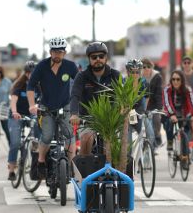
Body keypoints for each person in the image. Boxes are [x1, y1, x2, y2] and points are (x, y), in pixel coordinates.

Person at [27, 37, 78, 179]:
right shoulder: (42, 66)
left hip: (65, 105)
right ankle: (41, 161)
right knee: (47, 136)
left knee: (69, 135)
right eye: (54, 52)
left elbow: (79, 84)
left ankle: (71, 166)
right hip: (46, 107)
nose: (57, 55)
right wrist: (32, 105)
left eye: (60, 52)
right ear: (50, 52)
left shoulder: (70, 66)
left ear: (64, 53)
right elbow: (30, 86)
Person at [70, 42, 121, 156]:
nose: (98, 59)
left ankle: (110, 172)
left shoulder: (115, 75)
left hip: (109, 120)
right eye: (94, 57)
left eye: (101, 56)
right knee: (86, 139)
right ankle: (85, 170)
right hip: (88, 119)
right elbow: (75, 96)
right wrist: (74, 114)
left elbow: (120, 97)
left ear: (106, 58)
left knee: (111, 146)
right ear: (89, 59)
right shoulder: (81, 76)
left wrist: (121, 110)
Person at [7, 61, 40, 180]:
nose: (33, 75)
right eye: (30, 73)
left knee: (38, 130)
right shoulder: (19, 85)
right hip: (17, 115)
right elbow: (13, 100)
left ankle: (35, 148)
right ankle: (11, 170)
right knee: (15, 143)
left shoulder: (39, 86)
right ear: (26, 74)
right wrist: (15, 112)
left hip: (32, 115)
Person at [163, 70, 193, 157]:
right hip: (171, 113)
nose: (175, 81)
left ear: (182, 80)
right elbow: (167, 104)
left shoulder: (187, 89)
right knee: (169, 123)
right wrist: (172, 114)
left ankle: (192, 150)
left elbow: (192, 103)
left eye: (178, 79)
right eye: (173, 79)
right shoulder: (167, 89)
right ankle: (170, 141)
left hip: (184, 114)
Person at [125, 59, 153, 145]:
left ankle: (147, 154)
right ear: (128, 72)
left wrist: (145, 110)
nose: (135, 74)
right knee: (128, 143)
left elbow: (147, 99)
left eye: (137, 72)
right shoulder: (124, 83)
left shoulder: (144, 83)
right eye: (132, 72)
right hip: (127, 115)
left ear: (140, 72)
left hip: (140, 114)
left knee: (151, 135)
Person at [141, 58, 164, 148]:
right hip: (143, 106)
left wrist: (159, 108)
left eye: (148, 66)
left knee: (156, 122)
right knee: (147, 128)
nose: (146, 68)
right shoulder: (138, 77)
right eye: (144, 67)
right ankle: (149, 146)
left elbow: (159, 93)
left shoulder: (157, 77)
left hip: (154, 105)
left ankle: (157, 139)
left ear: (152, 67)